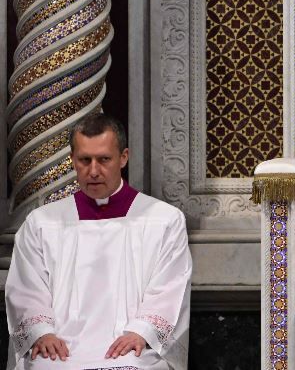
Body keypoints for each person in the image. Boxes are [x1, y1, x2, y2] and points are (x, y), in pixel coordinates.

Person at [6, 113, 192, 370]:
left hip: (130, 346)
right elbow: (26, 287)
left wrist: (142, 331)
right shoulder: (42, 223)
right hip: (59, 346)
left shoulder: (164, 220)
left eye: (104, 159)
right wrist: (42, 332)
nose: (93, 171)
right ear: (73, 160)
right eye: (85, 160)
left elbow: (170, 286)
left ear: (123, 158)